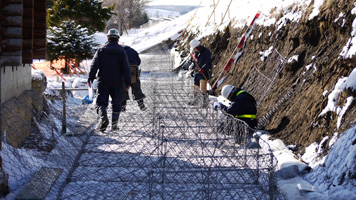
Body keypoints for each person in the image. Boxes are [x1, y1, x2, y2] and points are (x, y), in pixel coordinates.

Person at [88, 28, 131, 132]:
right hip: (117, 83)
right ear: (117, 39)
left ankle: (104, 119)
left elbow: (94, 65)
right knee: (116, 104)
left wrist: (90, 78)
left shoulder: (101, 50)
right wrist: (128, 82)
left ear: (108, 38)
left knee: (101, 104)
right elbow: (126, 68)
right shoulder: (121, 51)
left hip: (103, 82)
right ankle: (114, 125)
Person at [187, 39, 212, 107]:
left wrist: (203, 69)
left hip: (204, 73)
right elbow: (195, 62)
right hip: (197, 73)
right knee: (195, 88)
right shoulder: (196, 53)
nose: (194, 50)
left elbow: (208, 63)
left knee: (203, 89)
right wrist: (192, 70)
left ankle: (205, 102)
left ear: (197, 46)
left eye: (195, 48)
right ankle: (195, 101)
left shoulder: (206, 52)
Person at [121, 45, 147, 111]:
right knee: (137, 89)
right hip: (133, 71)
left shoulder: (119, 51)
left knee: (123, 90)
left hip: (123, 72)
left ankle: (122, 107)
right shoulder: (133, 51)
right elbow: (138, 61)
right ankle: (141, 106)